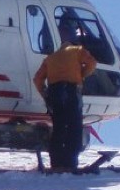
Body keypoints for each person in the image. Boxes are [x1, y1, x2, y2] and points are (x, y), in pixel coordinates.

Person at [33, 22, 97, 171]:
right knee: (74, 127)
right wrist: (82, 75)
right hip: (71, 92)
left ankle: (56, 162)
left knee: (59, 127)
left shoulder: (50, 58)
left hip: (55, 94)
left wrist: (45, 94)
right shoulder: (77, 50)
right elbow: (92, 63)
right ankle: (70, 162)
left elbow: (37, 79)